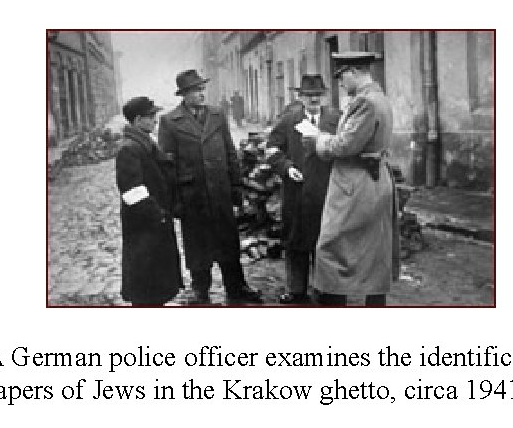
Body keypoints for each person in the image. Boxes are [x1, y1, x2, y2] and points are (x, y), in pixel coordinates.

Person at [301, 52, 400, 306]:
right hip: (376, 179)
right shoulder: (380, 98)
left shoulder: (364, 103)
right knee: (374, 251)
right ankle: (374, 304)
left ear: (353, 72)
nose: (341, 83)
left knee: (332, 248)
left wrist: (318, 138)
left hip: (354, 184)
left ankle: (334, 306)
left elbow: (343, 147)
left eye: (342, 76)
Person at [158, 70, 261, 305]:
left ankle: (236, 287)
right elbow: (167, 166)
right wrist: (175, 201)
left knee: (228, 241)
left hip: (220, 192)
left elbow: (230, 152)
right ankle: (200, 289)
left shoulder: (217, 115)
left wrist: (236, 187)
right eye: (195, 90)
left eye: (202, 89)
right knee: (197, 245)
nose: (201, 94)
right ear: (184, 95)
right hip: (192, 195)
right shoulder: (169, 122)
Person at [266, 75, 342, 304]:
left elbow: (345, 149)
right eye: (309, 95)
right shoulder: (289, 121)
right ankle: (296, 289)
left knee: (326, 242)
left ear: (324, 96)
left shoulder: (336, 119)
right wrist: (287, 168)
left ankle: (326, 289)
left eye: (318, 94)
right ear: (300, 97)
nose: (314, 99)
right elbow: (271, 150)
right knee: (296, 241)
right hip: (296, 192)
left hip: (327, 191)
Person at [116, 96, 183, 305]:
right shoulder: (129, 148)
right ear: (137, 120)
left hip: (153, 225)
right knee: (145, 284)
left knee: (156, 281)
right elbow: (132, 191)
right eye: (151, 116)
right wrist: (158, 215)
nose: (155, 120)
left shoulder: (144, 143)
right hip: (144, 226)